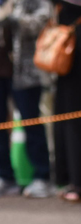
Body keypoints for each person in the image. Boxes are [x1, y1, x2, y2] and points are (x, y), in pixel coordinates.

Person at [0, 0, 52, 199]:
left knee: (31, 122)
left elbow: (42, 20)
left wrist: (12, 18)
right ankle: (3, 176)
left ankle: (42, 176)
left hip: (24, 71)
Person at [52, 0, 81, 203]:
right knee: (66, 112)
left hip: (75, 30)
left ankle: (76, 182)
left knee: (73, 114)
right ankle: (71, 179)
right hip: (69, 27)